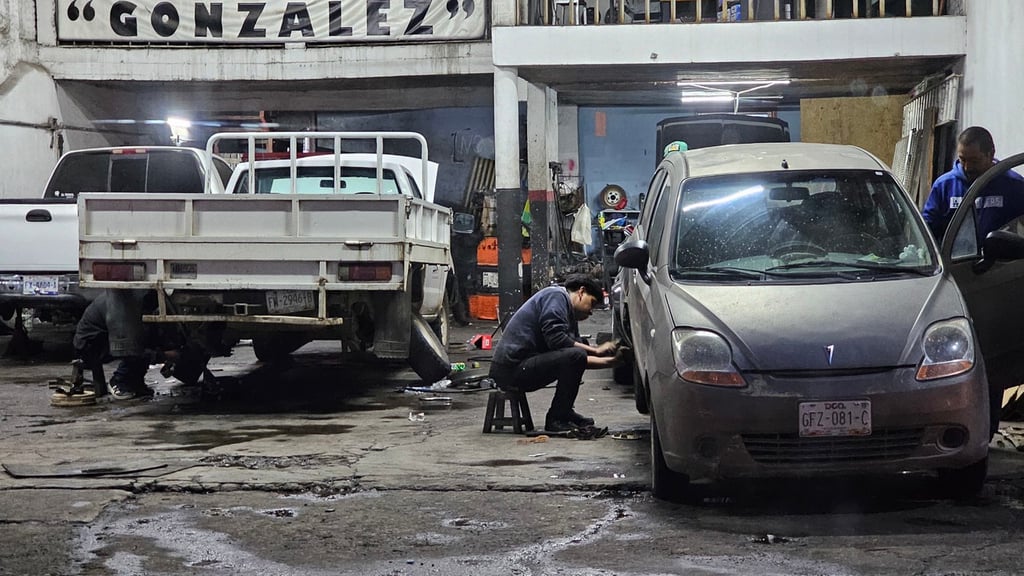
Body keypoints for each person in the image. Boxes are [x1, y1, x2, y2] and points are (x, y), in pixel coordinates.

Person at [488, 274, 621, 433]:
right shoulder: (556, 296)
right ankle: (556, 418)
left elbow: (576, 359)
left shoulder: (568, 313)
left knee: (579, 349)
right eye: (591, 303)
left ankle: (564, 412)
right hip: (510, 370)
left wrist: (611, 360)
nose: (591, 312)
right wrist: (597, 350)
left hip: (524, 365)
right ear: (581, 292)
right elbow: (557, 341)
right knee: (576, 353)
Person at [922, 126, 1024, 243]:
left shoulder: (1014, 185)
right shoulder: (944, 186)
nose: (967, 167)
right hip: (956, 255)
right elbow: (928, 230)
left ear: (991, 154)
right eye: (963, 160)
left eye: (974, 161)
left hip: (1001, 254)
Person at [73, 290, 172, 400]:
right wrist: (164, 355)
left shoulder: (132, 298)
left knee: (146, 339)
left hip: (102, 339)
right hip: (90, 345)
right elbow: (128, 346)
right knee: (137, 347)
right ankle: (119, 381)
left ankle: (135, 382)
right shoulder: (123, 306)